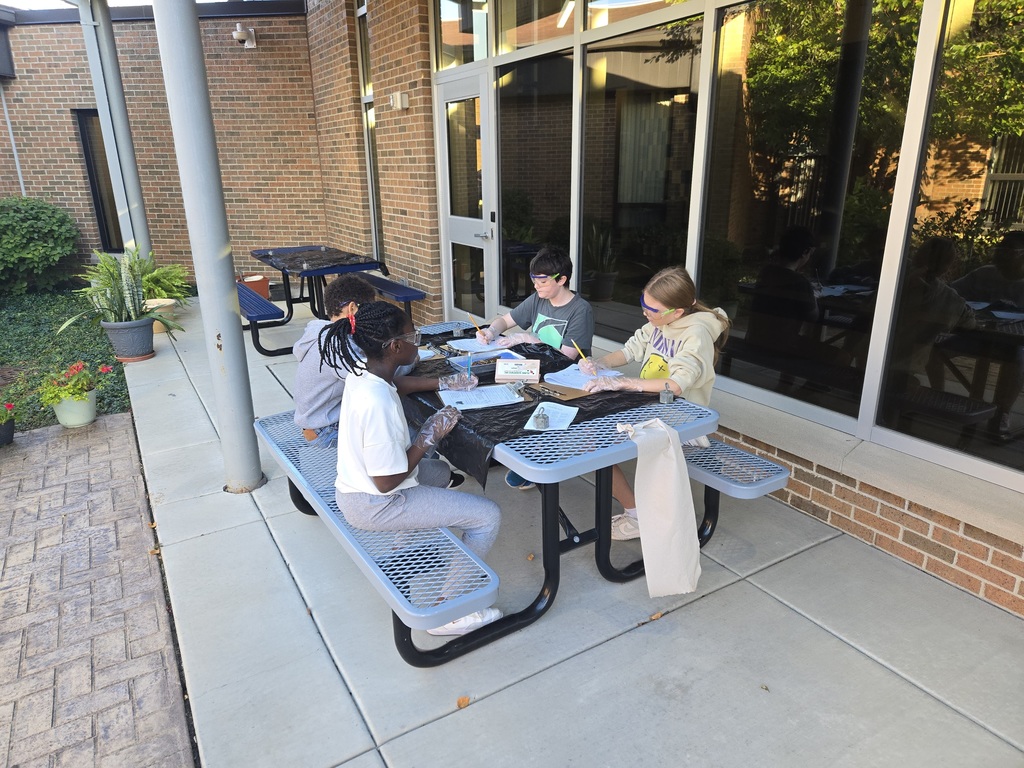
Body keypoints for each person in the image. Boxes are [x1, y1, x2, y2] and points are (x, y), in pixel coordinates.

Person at [321, 301, 503, 636]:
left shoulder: (365, 371)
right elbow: (388, 480)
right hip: (375, 503)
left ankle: (410, 535)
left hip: (359, 488)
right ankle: (447, 611)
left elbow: (397, 386)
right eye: (413, 336)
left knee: (438, 473)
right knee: (487, 516)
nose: (417, 342)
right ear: (395, 347)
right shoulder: (375, 406)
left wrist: (446, 384)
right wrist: (427, 434)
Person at [578, 266, 730, 541]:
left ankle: (638, 516)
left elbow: (676, 384)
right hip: (650, 407)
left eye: (652, 309)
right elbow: (630, 350)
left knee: (595, 442)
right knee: (589, 432)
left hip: (681, 421)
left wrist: (624, 383)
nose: (645, 313)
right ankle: (636, 510)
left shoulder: (696, 334)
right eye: (643, 304)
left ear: (678, 312)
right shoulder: (659, 322)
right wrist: (599, 363)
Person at [293, 274, 476, 472]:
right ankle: (431, 476)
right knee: (415, 441)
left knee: (410, 427)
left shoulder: (324, 334)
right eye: (368, 309)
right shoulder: (337, 347)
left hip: (326, 421)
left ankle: (430, 470)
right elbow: (384, 376)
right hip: (327, 432)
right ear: (353, 309)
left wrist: (442, 382)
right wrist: (412, 359)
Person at [475, 244, 595, 490]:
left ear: (562, 279)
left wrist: (531, 339)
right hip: (534, 368)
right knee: (491, 384)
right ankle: (510, 452)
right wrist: (491, 330)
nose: (536, 287)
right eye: (534, 281)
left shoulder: (580, 310)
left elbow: (567, 357)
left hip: (562, 376)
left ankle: (537, 458)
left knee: (524, 400)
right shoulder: (539, 299)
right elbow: (506, 320)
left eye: (541, 281)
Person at [948, 232, 1024, 437]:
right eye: (999, 251)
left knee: (1018, 358)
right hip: (976, 336)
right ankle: (943, 398)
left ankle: (1001, 412)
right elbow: (950, 292)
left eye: (1010, 253)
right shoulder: (984, 274)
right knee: (934, 344)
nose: (1002, 258)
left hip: (1013, 342)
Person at [888, 236, 976, 398]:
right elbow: (970, 323)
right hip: (903, 368)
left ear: (916, 255)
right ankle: (939, 396)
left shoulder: (892, 282)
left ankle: (938, 394)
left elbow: (867, 307)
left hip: (871, 359)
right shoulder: (949, 298)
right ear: (947, 266)